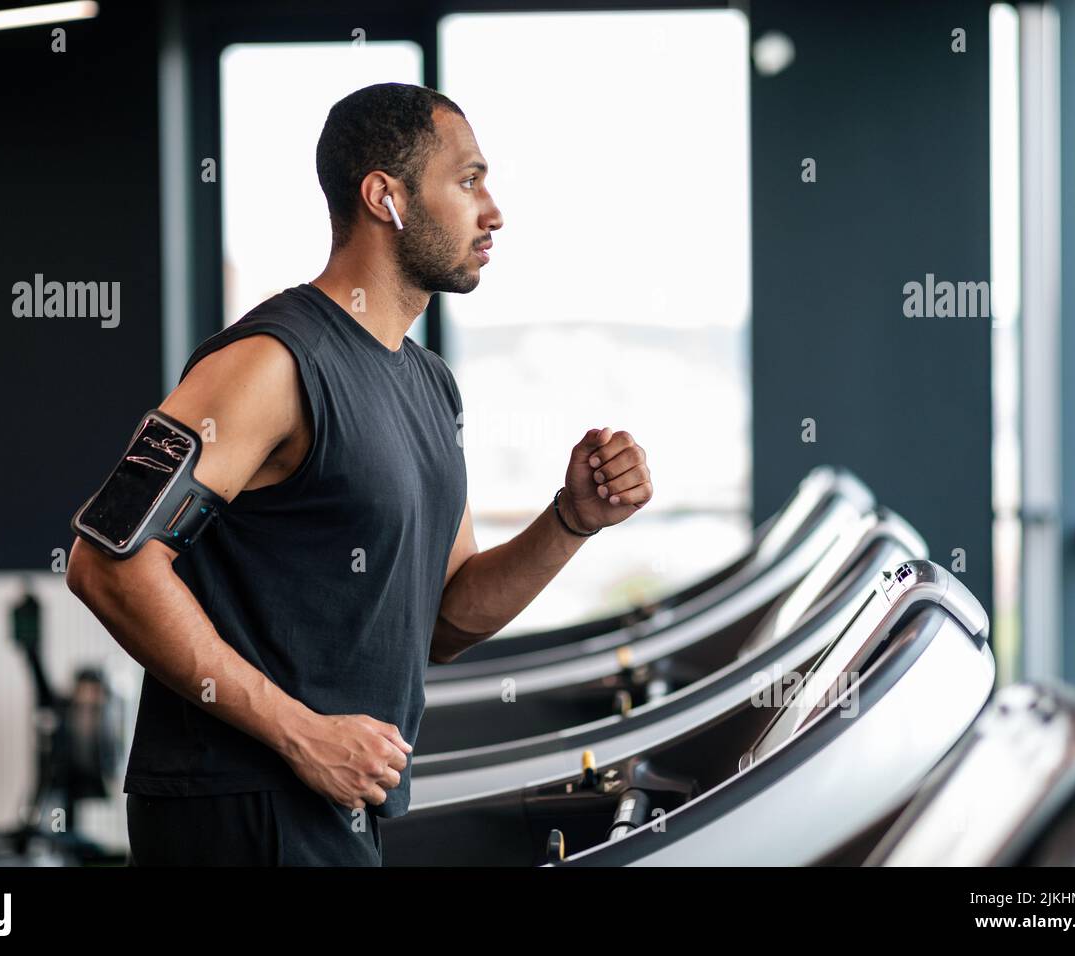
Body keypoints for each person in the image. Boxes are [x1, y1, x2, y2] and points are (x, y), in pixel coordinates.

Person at [66, 82, 654, 866]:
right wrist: (300, 733)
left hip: (340, 799)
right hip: (240, 806)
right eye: (469, 181)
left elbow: (445, 621)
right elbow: (108, 563)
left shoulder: (431, 385)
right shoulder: (270, 363)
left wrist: (571, 520)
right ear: (386, 198)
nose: (494, 213)